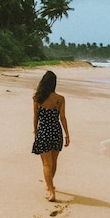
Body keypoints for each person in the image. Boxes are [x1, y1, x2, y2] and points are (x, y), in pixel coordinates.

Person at [32, 71, 70, 201]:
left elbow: (35, 117)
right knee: (53, 162)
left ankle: (51, 191)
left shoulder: (37, 98)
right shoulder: (60, 99)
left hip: (44, 131)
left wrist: (35, 132)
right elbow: (63, 118)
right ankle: (50, 186)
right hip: (56, 131)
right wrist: (67, 135)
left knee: (46, 164)